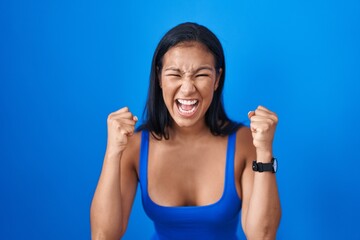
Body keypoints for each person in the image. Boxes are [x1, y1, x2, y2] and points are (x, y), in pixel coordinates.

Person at [90, 22, 281, 240]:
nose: (188, 88)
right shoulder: (134, 145)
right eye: (175, 74)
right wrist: (113, 152)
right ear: (159, 77)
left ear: (217, 79)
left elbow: (263, 236)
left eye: (201, 75)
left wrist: (265, 151)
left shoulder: (245, 142)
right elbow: (103, 235)